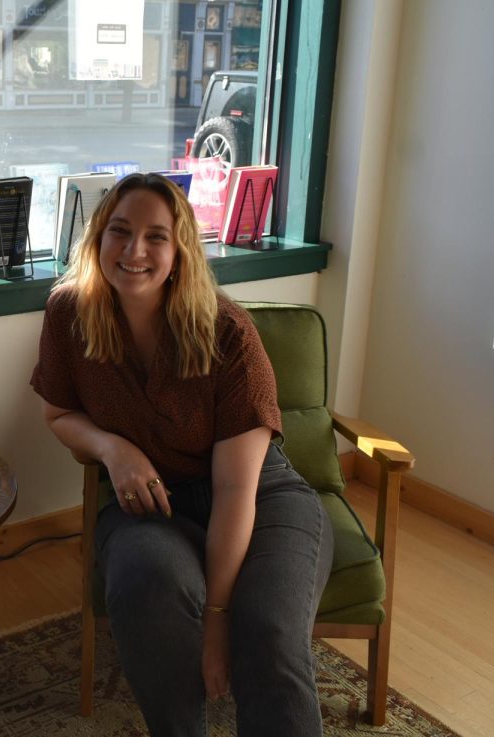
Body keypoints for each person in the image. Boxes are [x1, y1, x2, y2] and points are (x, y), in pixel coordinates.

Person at [30, 173, 334, 737]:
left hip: (259, 499)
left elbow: (237, 491)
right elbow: (57, 413)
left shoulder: (228, 335)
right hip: (153, 501)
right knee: (145, 582)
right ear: (98, 237)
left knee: (265, 631)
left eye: (156, 236)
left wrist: (216, 622)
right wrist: (111, 448)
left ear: (180, 250)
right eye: (120, 231)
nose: (135, 250)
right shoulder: (68, 313)